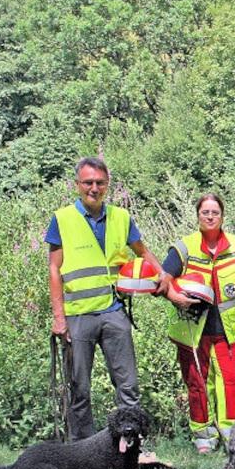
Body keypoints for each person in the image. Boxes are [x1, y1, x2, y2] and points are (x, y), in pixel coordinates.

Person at [46, 157, 165, 441]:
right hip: (78, 316)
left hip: (114, 313)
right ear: (78, 185)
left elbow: (143, 253)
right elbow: (54, 269)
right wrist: (59, 318)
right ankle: (81, 448)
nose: (94, 188)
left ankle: (131, 443)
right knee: (79, 388)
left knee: (128, 385)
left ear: (107, 185)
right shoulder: (62, 219)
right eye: (88, 183)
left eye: (100, 183)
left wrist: (164, 277)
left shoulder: (121, 218)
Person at [160, 194, 235, 453]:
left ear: (223, 216)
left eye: (215, 212)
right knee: (197, 382)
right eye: (205, 212)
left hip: (230, 328)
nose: (210, 216)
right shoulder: (184, 247)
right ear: (198, 216)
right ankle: (204, 437)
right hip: (193, 328)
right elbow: (163, 280)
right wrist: (176, 298)